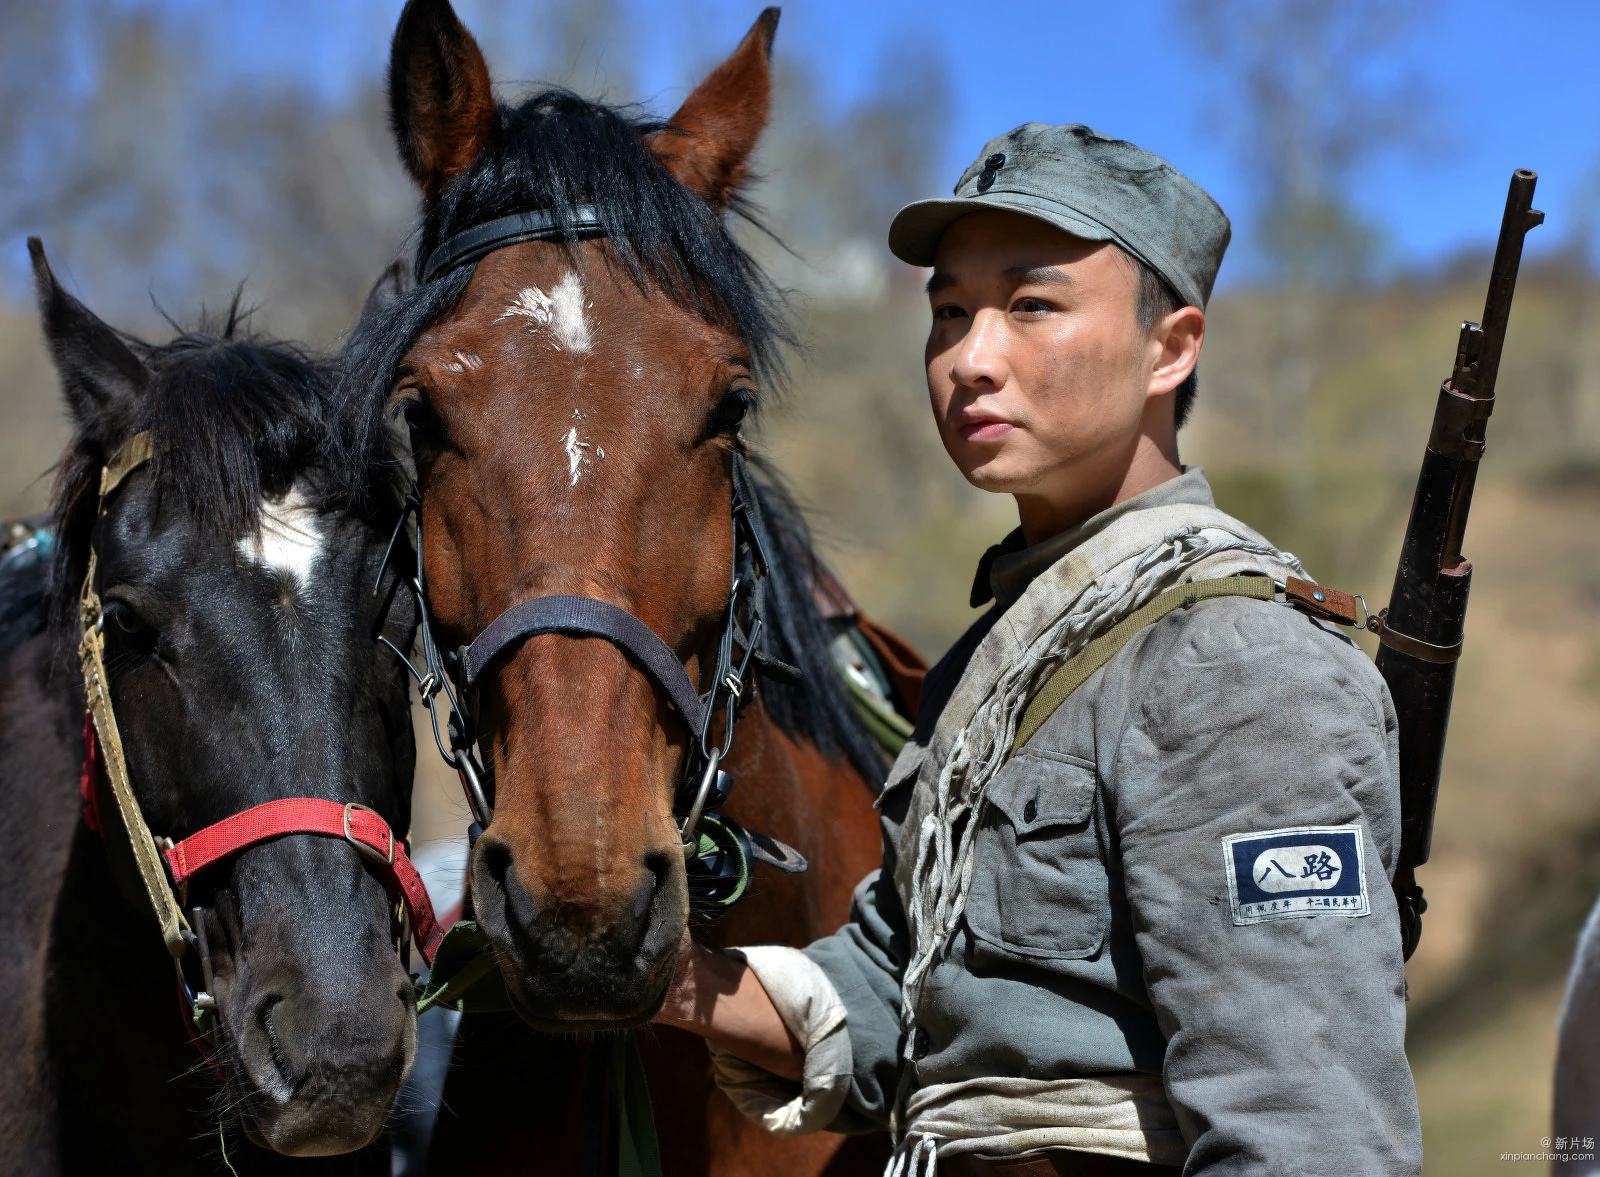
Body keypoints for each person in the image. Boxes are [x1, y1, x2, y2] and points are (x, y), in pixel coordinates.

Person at [655, 122, 1422, 1175]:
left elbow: (1305, 1128)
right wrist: (659, 977)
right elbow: (904, 997)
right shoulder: (991, 662)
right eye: (950, 311)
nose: (970, 358)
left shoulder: (1233, 664)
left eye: (1031, 305)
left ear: (1172, 346)